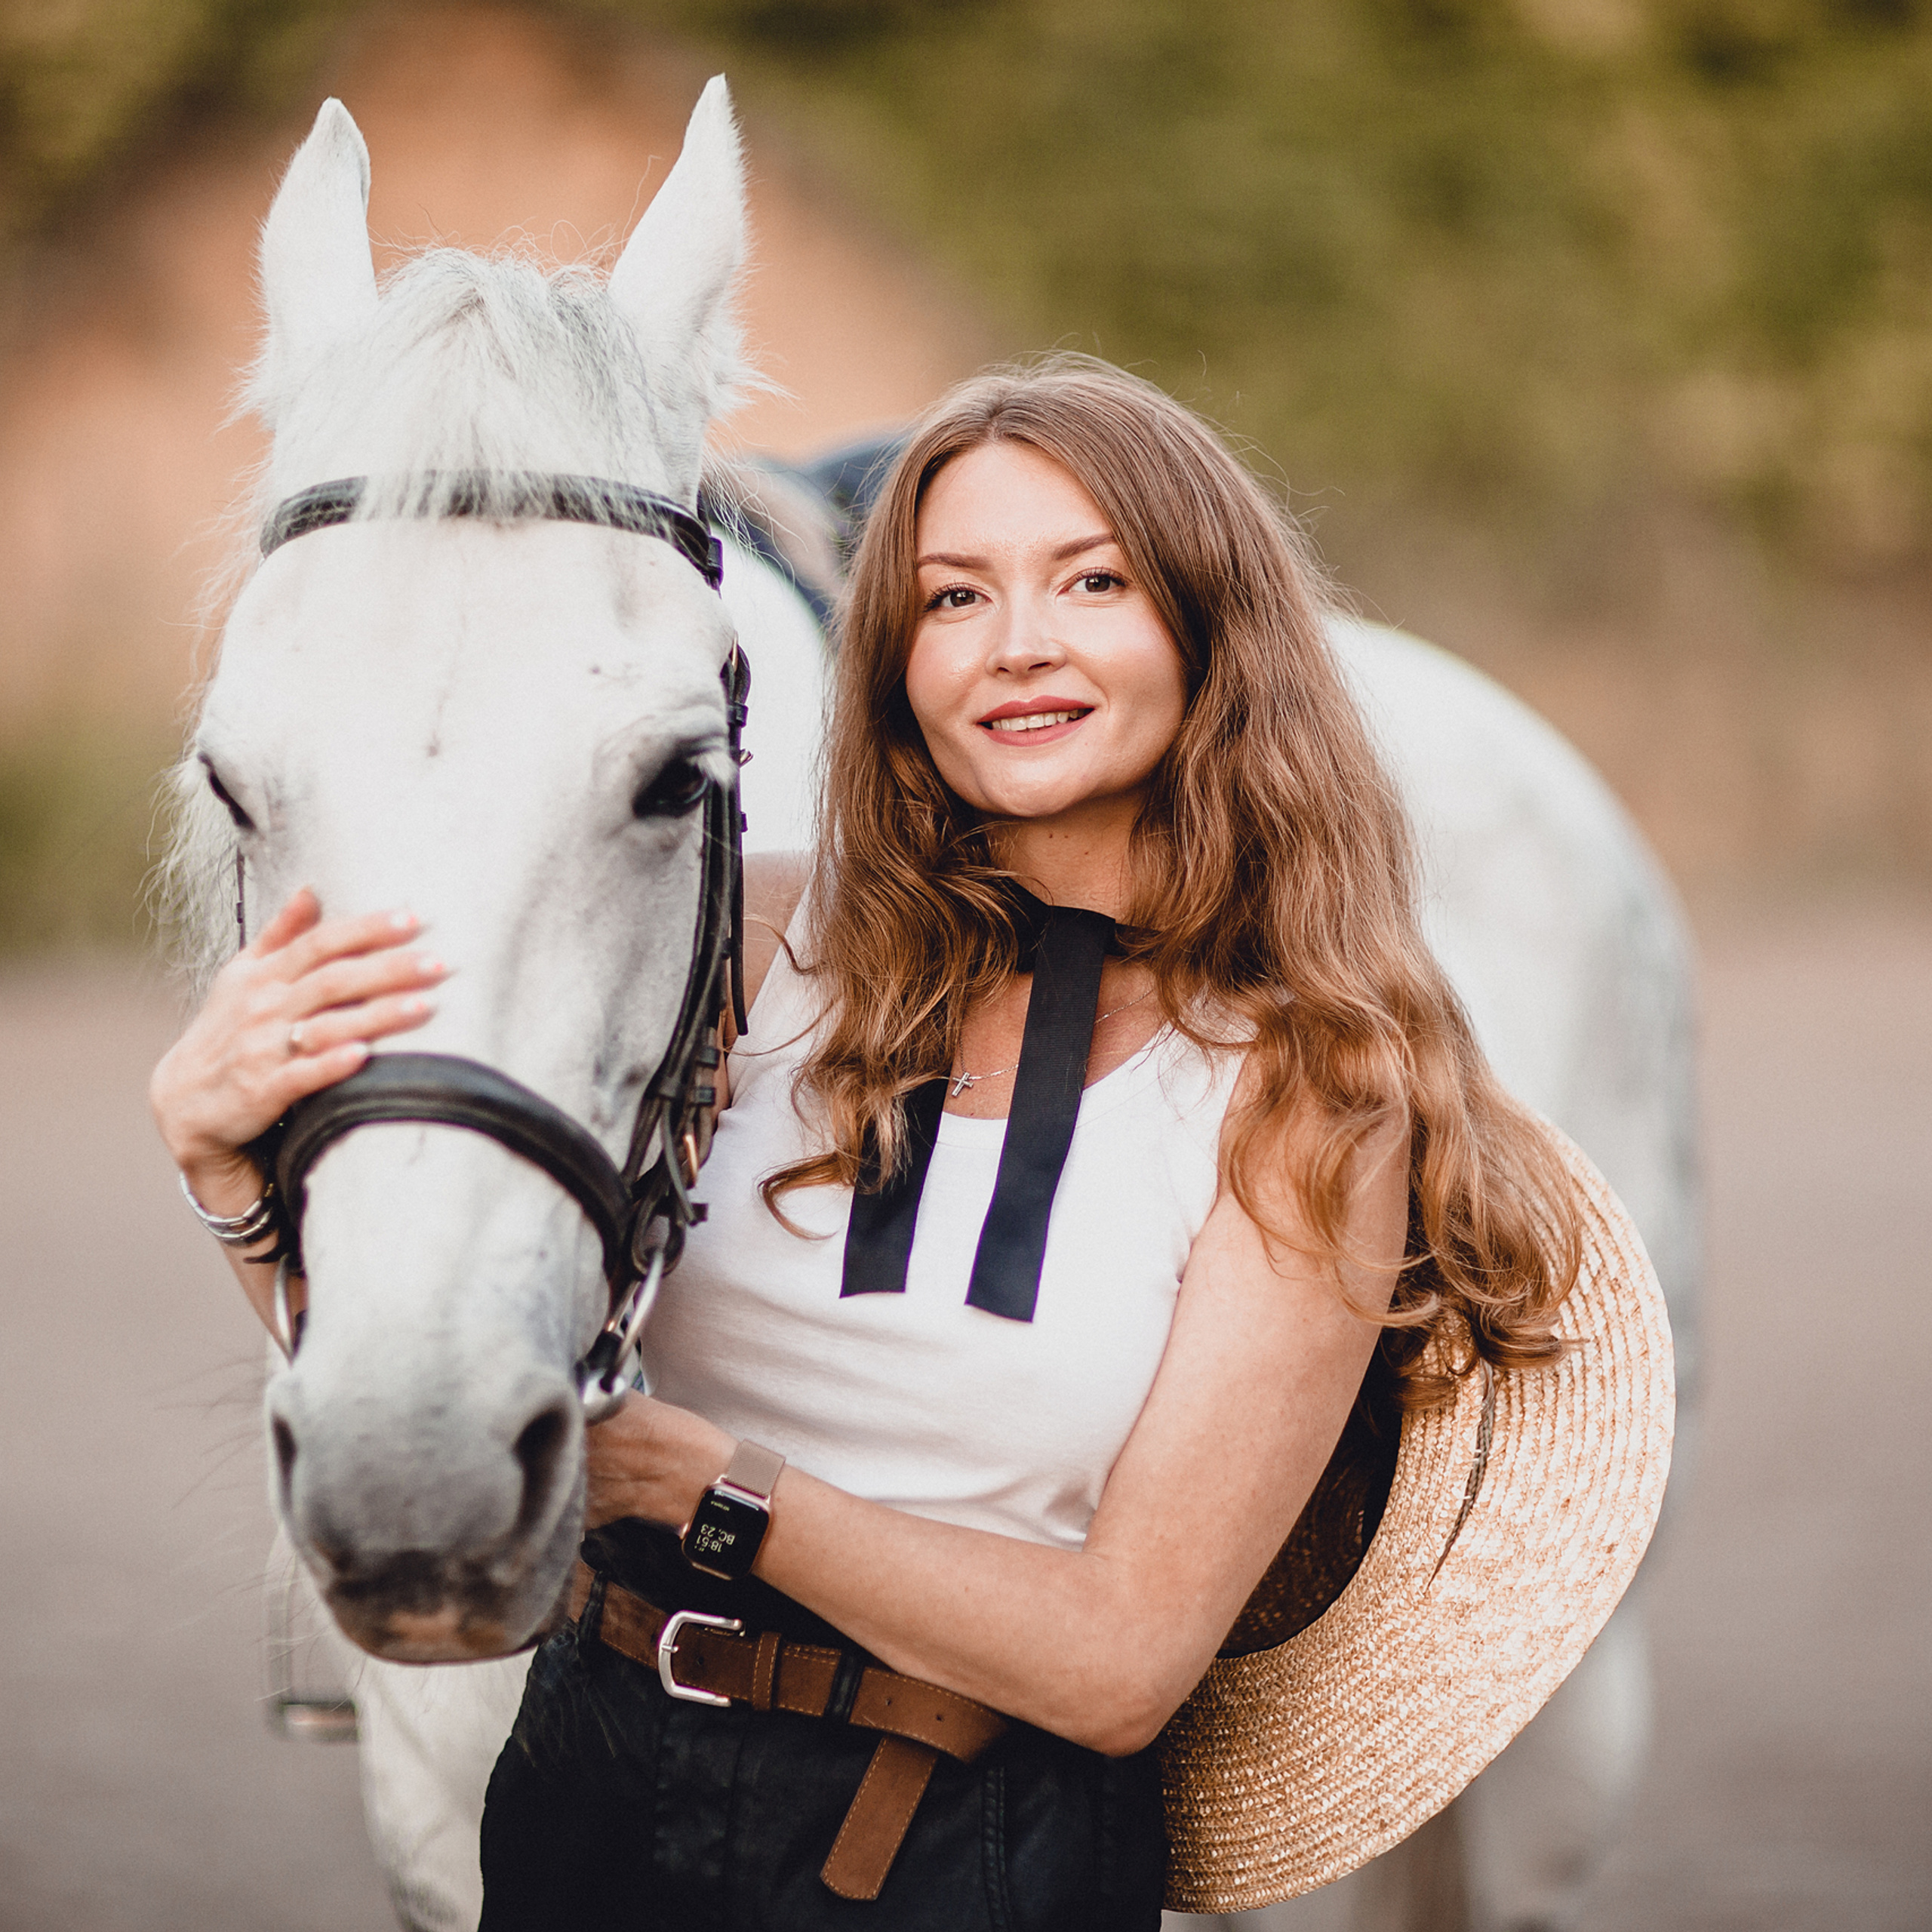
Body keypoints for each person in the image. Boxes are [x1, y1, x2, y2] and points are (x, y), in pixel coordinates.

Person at [151, 358, 1586, 1929]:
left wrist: (710, 1483)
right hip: (589, 1794)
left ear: (1206, 629)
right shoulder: (737, 937)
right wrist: (236, 1183)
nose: (1015, 642)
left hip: (971, 1851)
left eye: (1088, 580)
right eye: (952, 594)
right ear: (893, 657)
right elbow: (455, 1395)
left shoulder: (1304, 1081)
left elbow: (1117, 1661)